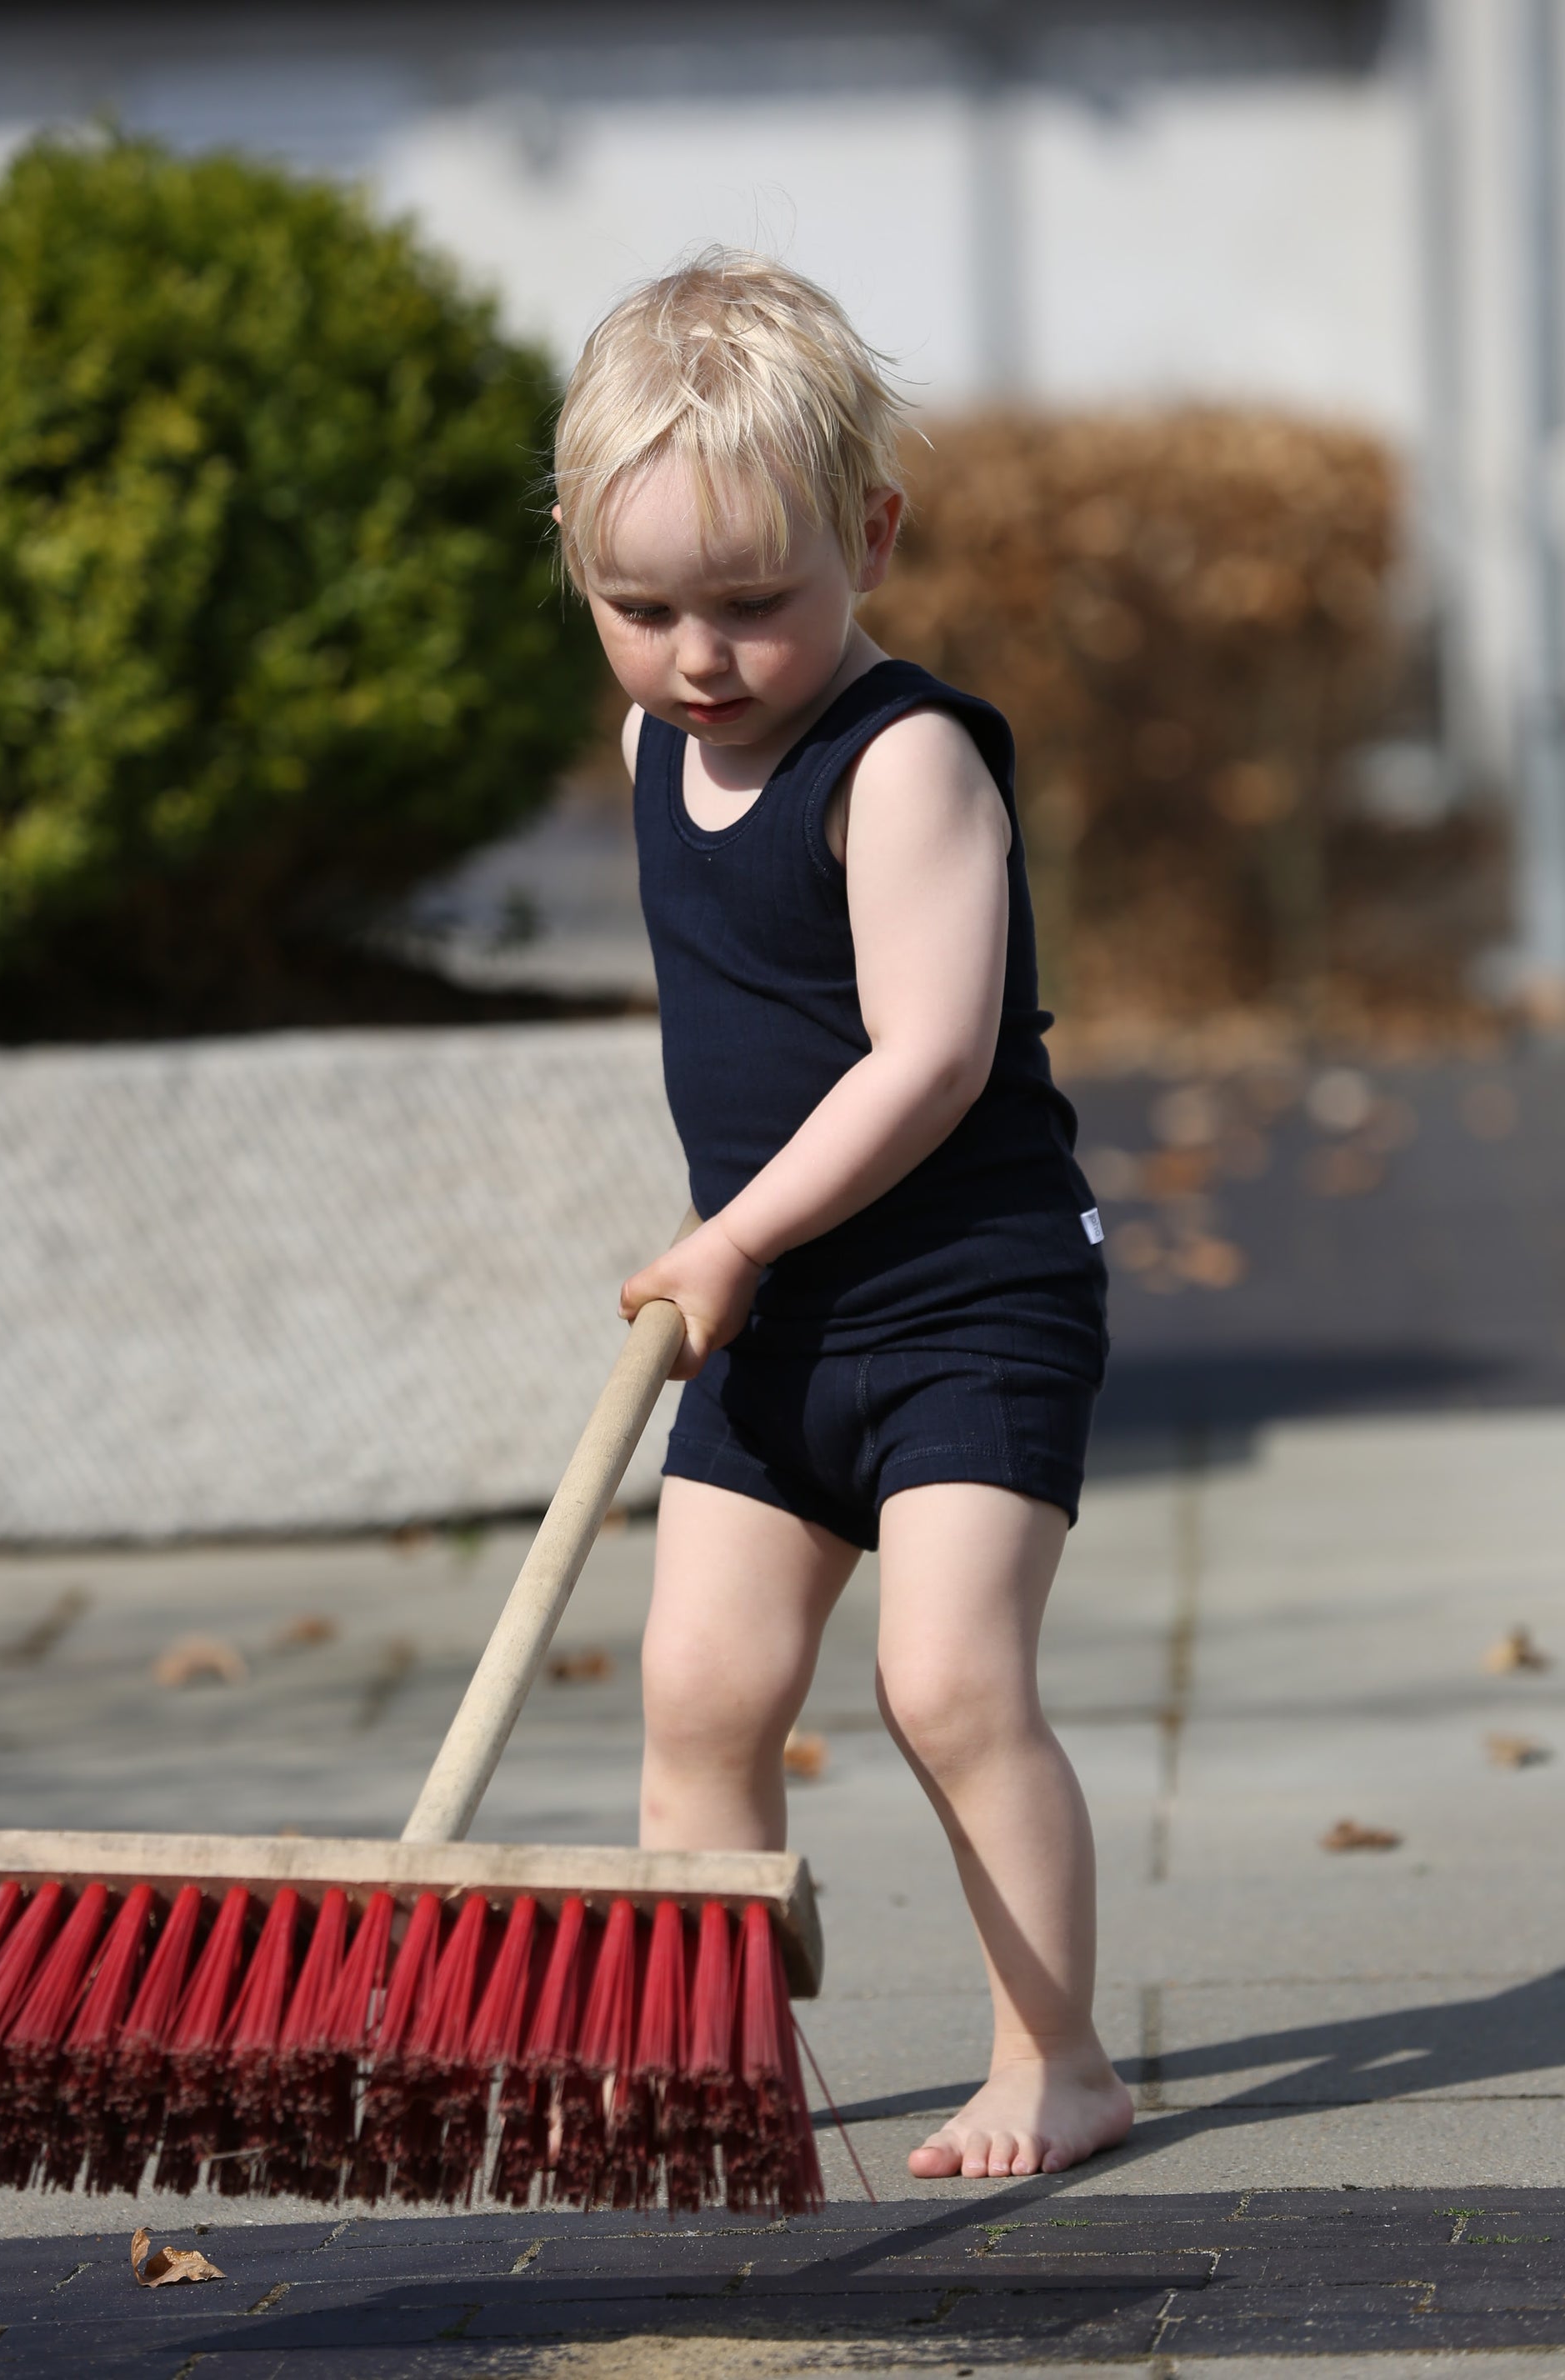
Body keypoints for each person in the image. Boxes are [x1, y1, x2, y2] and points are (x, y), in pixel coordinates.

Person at [552, 251, 1132, 2182]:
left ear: (866, 539)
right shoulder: (651, 752)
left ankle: (1057, 2061)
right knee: (700, 1693)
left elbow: (928, 1058)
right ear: (577, 566)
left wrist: (729, 1232)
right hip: (777, 1317)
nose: (697, 658)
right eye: (641, 608)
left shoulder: (905, 761)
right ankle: (720, 2069)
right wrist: (741, 1254)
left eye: (751, 604)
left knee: (946, 1684)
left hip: (968, 1303)